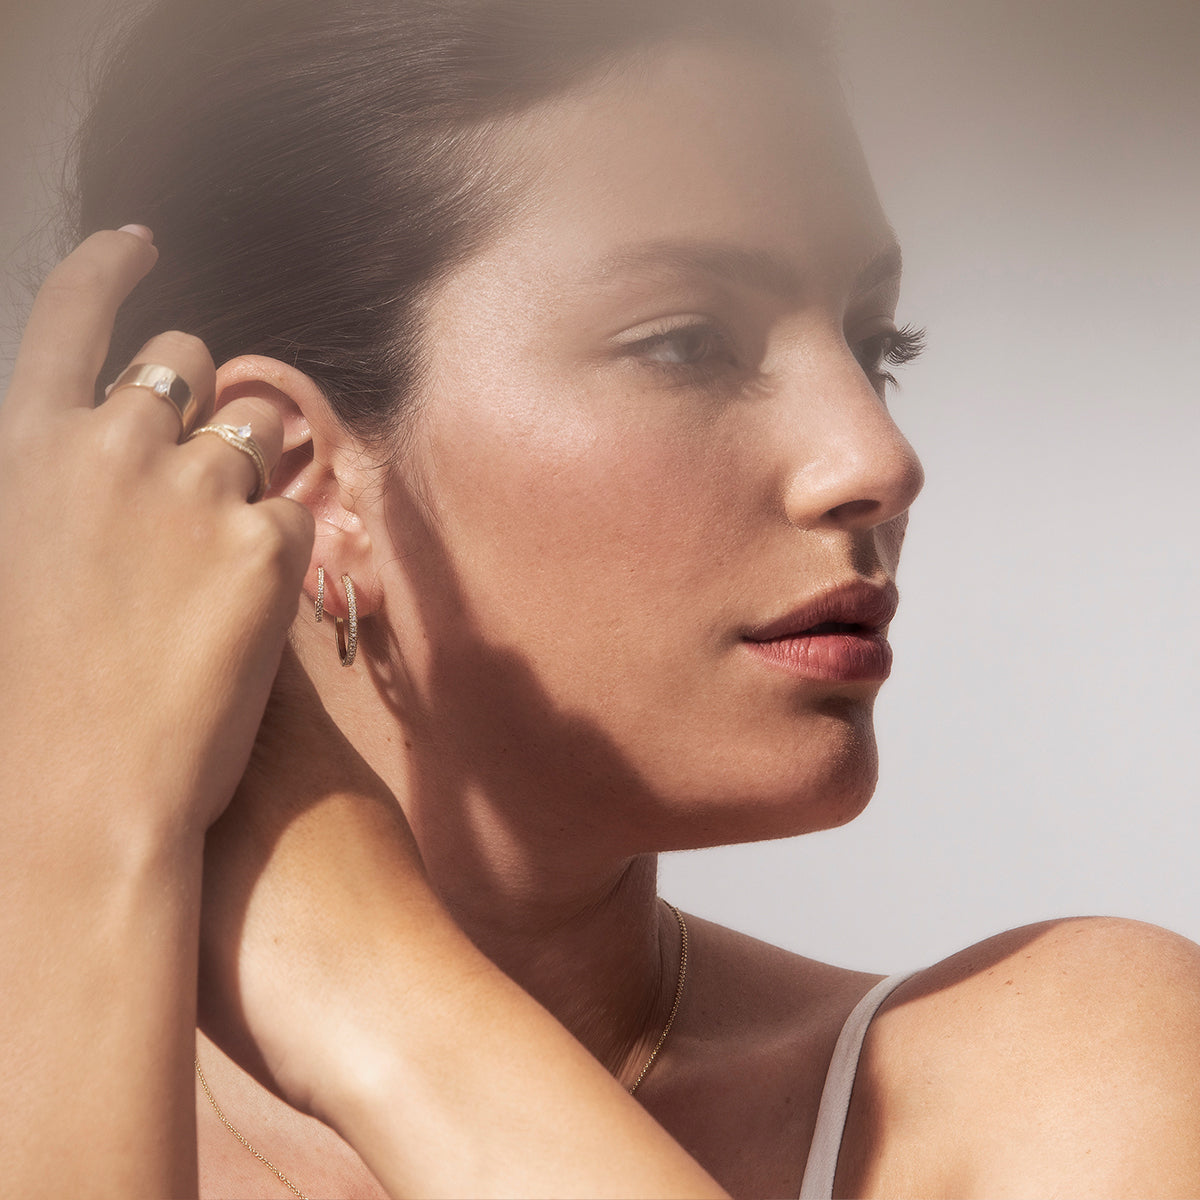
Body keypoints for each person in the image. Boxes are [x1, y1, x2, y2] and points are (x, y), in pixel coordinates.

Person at [2, 1, 1198, 1197]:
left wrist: (368, 984)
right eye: (685, 342)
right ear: (304, 475)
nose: (877, 460)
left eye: (876, 344)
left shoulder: (1070, 1091)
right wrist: (89, 862)